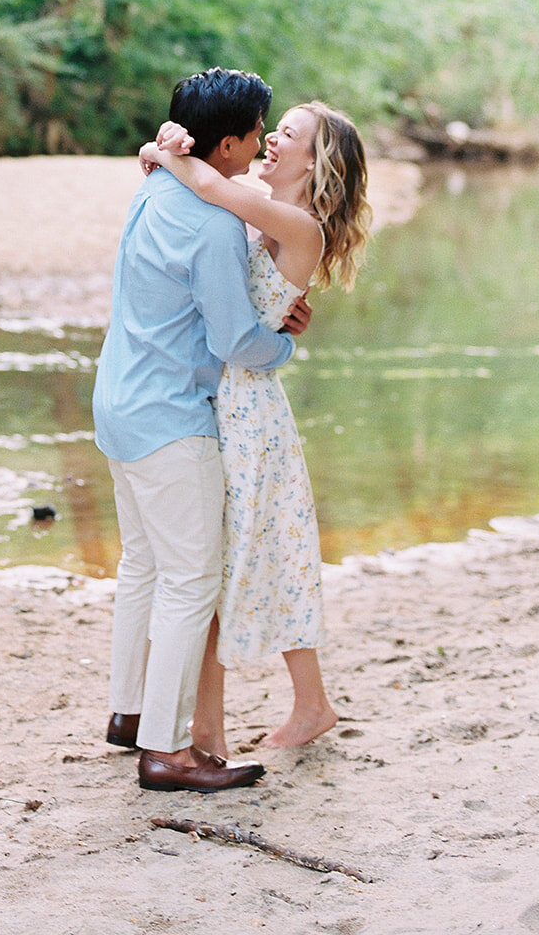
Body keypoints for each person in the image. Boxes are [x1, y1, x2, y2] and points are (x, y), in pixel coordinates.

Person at [92, 67, 311, 793]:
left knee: (143, 566)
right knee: (189, 583)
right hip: (169, 420)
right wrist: (282, 342)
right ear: (226, 146)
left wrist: (163, 149)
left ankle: (129, 713)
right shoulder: (213, 221)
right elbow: (234, 342)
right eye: (254, 135)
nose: (258, 144)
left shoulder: (154, 184)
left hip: (117, 402)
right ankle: (165, 750)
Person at [138, 99, 371, 757]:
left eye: (287, 136)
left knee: (241, 559)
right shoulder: (257, 213)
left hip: (247, 413)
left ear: (314, 161)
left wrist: (162, 155)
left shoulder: (295, 225)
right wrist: (165, 153)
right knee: (257, 556)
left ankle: (243, 722)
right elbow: (206, 201)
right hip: (228, 400)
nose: (271, 142)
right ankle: (305, 704)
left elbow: (206, 183)